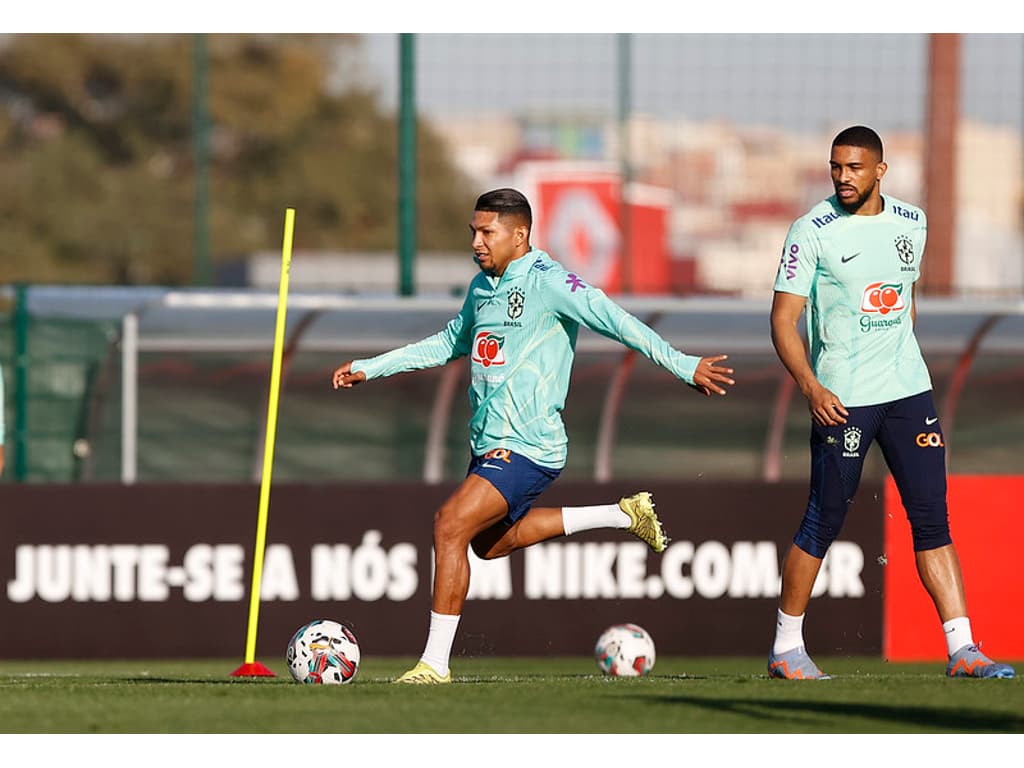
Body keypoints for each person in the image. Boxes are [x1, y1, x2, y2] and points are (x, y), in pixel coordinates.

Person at [333, 187, 736, 684]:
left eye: (487, 232)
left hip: (529, 445)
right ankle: (621, 513)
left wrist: (684, 364)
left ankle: (433, 666)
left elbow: (616, 321)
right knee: (486, 545)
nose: (477, 242)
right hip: (488, 446)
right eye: (473, 232)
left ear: (519, 234)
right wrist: (370, 368)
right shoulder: (482, 288)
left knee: (448, 523)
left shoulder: (550, 282)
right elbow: (447, 342)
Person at [767, 125, 1014, 680]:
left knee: (932, 519)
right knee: (823, 519)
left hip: (908, 393)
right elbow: (783, 321)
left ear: (880, 170)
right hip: (844, 399)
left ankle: (963, 649)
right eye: (836, 167)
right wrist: (811, 386)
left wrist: (907, 362)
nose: (843, 177)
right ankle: (786, 648)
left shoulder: (912, 223)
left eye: (854, 167)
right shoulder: (812, 231)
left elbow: (905, 303)